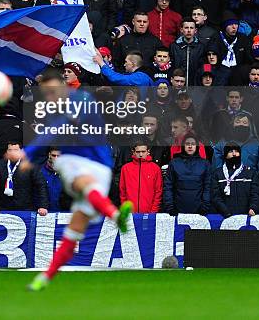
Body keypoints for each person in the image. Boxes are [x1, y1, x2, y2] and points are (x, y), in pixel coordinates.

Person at [24, 69, 132, 292]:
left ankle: (113, 214)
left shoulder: (81, 99)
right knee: (73, 232)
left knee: (62, 163)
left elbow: (56, 129)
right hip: (89, 171)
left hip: (95, 165)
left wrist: (28, 153)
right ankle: (44, 278)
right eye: (46, 93)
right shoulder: (55, 109)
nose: (51, 96)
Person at [162, 133, 211, 215]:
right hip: (176, 210)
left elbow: (207, 187)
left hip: (199, 211)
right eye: (187, 144)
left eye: (193, 144)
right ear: (183, 146)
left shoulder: (205, 164)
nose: (190, 146)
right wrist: (170, 207)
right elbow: (168, 186)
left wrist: (205, 207)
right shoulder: (174, 163)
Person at [211, 143, 259, 217]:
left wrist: (253, 208)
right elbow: (215, 196)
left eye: (236, 151)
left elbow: (256, 193)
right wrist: (225, 211)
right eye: (231, 151)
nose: (234, 154)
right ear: (225, 155)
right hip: (224, 217)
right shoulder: (217, 174)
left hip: (246, 216)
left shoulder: (250, 173)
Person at [119, 141, 162, 213]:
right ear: (133, 152)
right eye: (138, 152)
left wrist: (153, 211)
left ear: (148, 152)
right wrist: (126, 210)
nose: (141, 154)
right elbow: (122, 191)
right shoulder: (125, 168)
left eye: (143, 151)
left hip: (149, 212)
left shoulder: (155, 168)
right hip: (130, 212)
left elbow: (158, 192)